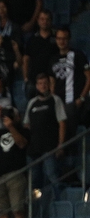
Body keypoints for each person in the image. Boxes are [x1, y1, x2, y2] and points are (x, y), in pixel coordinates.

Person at [23, 72, 67, 201]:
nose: (43, 86)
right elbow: (26, 125)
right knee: (34, 180)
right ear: (36, 86)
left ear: (49, 85)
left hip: (50, 147)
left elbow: (62, 123)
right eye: (40, 84)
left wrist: (61, 145)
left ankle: (60, 204)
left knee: (53, 176)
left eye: (45, 83)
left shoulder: (55, 100)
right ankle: (37, 207)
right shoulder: (32, 103)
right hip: (34, 148)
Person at [50, 26, 90, 149]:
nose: (62, 41)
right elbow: (52, 81)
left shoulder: (78, 55)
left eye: (64, 38)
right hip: (59, 100)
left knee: (69, 116)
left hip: (74, 101)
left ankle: (68, 152)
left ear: (69, 39)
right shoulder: (53, 59)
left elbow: (89, 77)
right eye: (59, 38)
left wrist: (82, 98)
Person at [22, 10, 56, 98]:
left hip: (51, 81)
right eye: (42, 19)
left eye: (47, 19)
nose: (44, 22)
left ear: (51, 21)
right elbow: (26, 59)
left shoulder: (56, 40)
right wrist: (26, 78)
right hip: (34, 81)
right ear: (38, 20)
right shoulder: (32, 39)